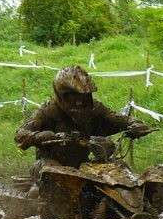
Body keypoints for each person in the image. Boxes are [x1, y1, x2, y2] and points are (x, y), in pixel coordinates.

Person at [15, 65, 151, 171]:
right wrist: (39, 137)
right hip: (48, 164)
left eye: (83, 96)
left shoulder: (95, 108)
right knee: (53, 172)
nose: (79, 102)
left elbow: (119, 119)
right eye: (73, 96)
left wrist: (135, 125)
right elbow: (20, 134)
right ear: (61, 95)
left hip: (83, 165)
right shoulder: (47, 111)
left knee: (119, 166)